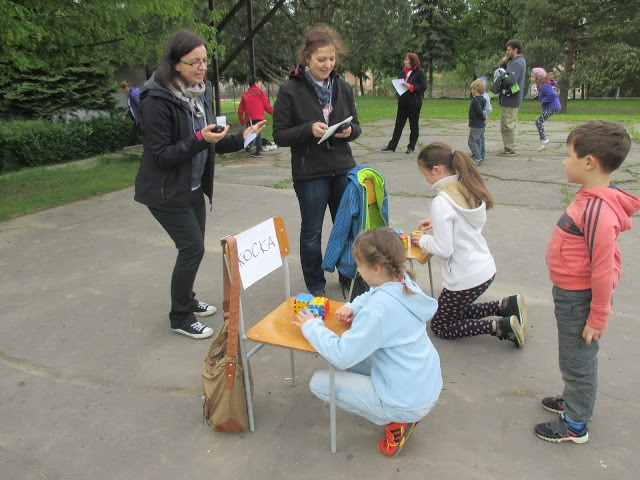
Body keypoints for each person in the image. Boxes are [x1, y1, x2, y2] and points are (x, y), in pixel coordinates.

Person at [134, 29, 265, 339]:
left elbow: (210, 141)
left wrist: (242, 138)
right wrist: (199, 139)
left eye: (205, 60)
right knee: (191, 248)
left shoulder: (199, 93)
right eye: (194, 62)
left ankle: (188, 299)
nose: (201, 67)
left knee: (193, 249)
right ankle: (180, 316)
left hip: (193, 189)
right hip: (166, 191)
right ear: (175, 64)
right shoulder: (156, 100)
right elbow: (162, 155)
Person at [292, 227, 442, 456]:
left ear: (377, 268)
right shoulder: (404, 281)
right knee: (353, 358)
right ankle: (402, 410)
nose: (359, 271)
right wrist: (353, 306)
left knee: (319, 382)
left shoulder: (378, 311)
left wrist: (311, 326)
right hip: (423, 383)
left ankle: (397, 419)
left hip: (405, 400)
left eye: (360, 266)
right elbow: (372, 294)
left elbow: (342, 355)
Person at [535, 121, 640, 444]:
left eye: (569, 155)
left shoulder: (598, 210)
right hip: (571, 294)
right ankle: (574, 399)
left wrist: (598, 315)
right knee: (573, 355)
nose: (564, 161)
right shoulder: (591, 197)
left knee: (577, 359)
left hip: (579, 298)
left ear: (589, 162)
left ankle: (575, 423)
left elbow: (603, 268)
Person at [273, 25, 362, 297]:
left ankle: (348, 275)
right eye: (321, 59)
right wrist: (308, 130)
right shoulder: (290, 90)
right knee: (312, 232)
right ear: (306, 58)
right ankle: (315, 284)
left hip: (343, 168)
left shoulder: (342, 86)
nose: (327, 65)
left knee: (347, 227)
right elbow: (279, 134)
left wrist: (349, 131)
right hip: (310, 172)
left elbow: (357, 126)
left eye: (332, 59)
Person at [412, 142, 528, 347]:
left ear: (436, 170)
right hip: (483, 268)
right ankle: (506, 305)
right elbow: (462, 222)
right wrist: (438, 223)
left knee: (441, 325)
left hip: (465, 277)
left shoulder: (442, 201)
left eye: (425, 174)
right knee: (454, 310)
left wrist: (423, 240)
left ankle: (499, 326)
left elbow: (444, 249)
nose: (426, 179)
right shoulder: (466, 187)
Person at [381, 53, 427, 155]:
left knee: (413, 125)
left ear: (412, 61)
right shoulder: (403, 72)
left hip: (414, 102)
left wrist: (411, 87)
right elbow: (398, 82)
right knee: (398, 124)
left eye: (407, 59)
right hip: (403, 102)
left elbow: (423, 86)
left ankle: (411, 147)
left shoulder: (420, 72)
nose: (405, 61)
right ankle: (392, 145)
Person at [495, 39, 526, 157]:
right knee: (508, 123)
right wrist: (503, 64)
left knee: (508, 124)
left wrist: (501, 78)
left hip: (511, 98)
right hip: (510, 98)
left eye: (508, 50)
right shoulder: (516, 62)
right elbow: (504, 73)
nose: (506, 52)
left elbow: (511, 80)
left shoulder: (517, 63)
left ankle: (510, 149)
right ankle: (509, 147)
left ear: (515, 50)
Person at [237, 76, 274, 158]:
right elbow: (267, 106)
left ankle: (251, 146)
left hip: (250, 118)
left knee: (252, 132)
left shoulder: (245, 95)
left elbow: (240, 110)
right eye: (258, 83)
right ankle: (257, 149)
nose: (259, 85)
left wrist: (241, 120)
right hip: (259, 116)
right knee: (257, 132)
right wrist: (274, 113)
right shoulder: (261, 92)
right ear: (256, 83)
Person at [530, 67, 561, 151]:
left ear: (538, 78)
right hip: (552, 106)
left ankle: (544, 140)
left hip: (553, 106)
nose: (531, 78)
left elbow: (553, 95)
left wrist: (543, 101)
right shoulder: (542, 85)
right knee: (539, 122)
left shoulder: (544, 86)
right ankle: (543, 140)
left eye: (532, 77)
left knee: (538, 122)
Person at [468, 78, 487, 165]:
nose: (471, 91)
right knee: (478, 140)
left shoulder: (476, 100)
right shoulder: (482, 99)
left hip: (476, 124)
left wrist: (483, 118)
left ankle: (477, 157)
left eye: (472, 89)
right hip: (481, 124)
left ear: (475, 89)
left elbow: (479, 111)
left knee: (472, 141)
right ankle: (479, 155)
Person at [119, 80, 141, 148]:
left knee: (134, 133)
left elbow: (140, 104)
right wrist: (126, 115)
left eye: (122, 90)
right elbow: (131, 106)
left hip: (140, 118)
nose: (122, 91)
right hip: (137, 118)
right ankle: (125, 146)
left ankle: (124, 147)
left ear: (126, 87)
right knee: (134, 133)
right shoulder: (129, 94)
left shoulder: (133, 94)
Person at [478, 76, 492, 162]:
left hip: (482, 120)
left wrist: (481, 114)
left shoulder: (485, 97)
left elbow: (488, 109)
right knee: (477, 136)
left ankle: (481, 154)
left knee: (481, 136)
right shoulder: (478, 96)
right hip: (477, 120)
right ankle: (477, 152)